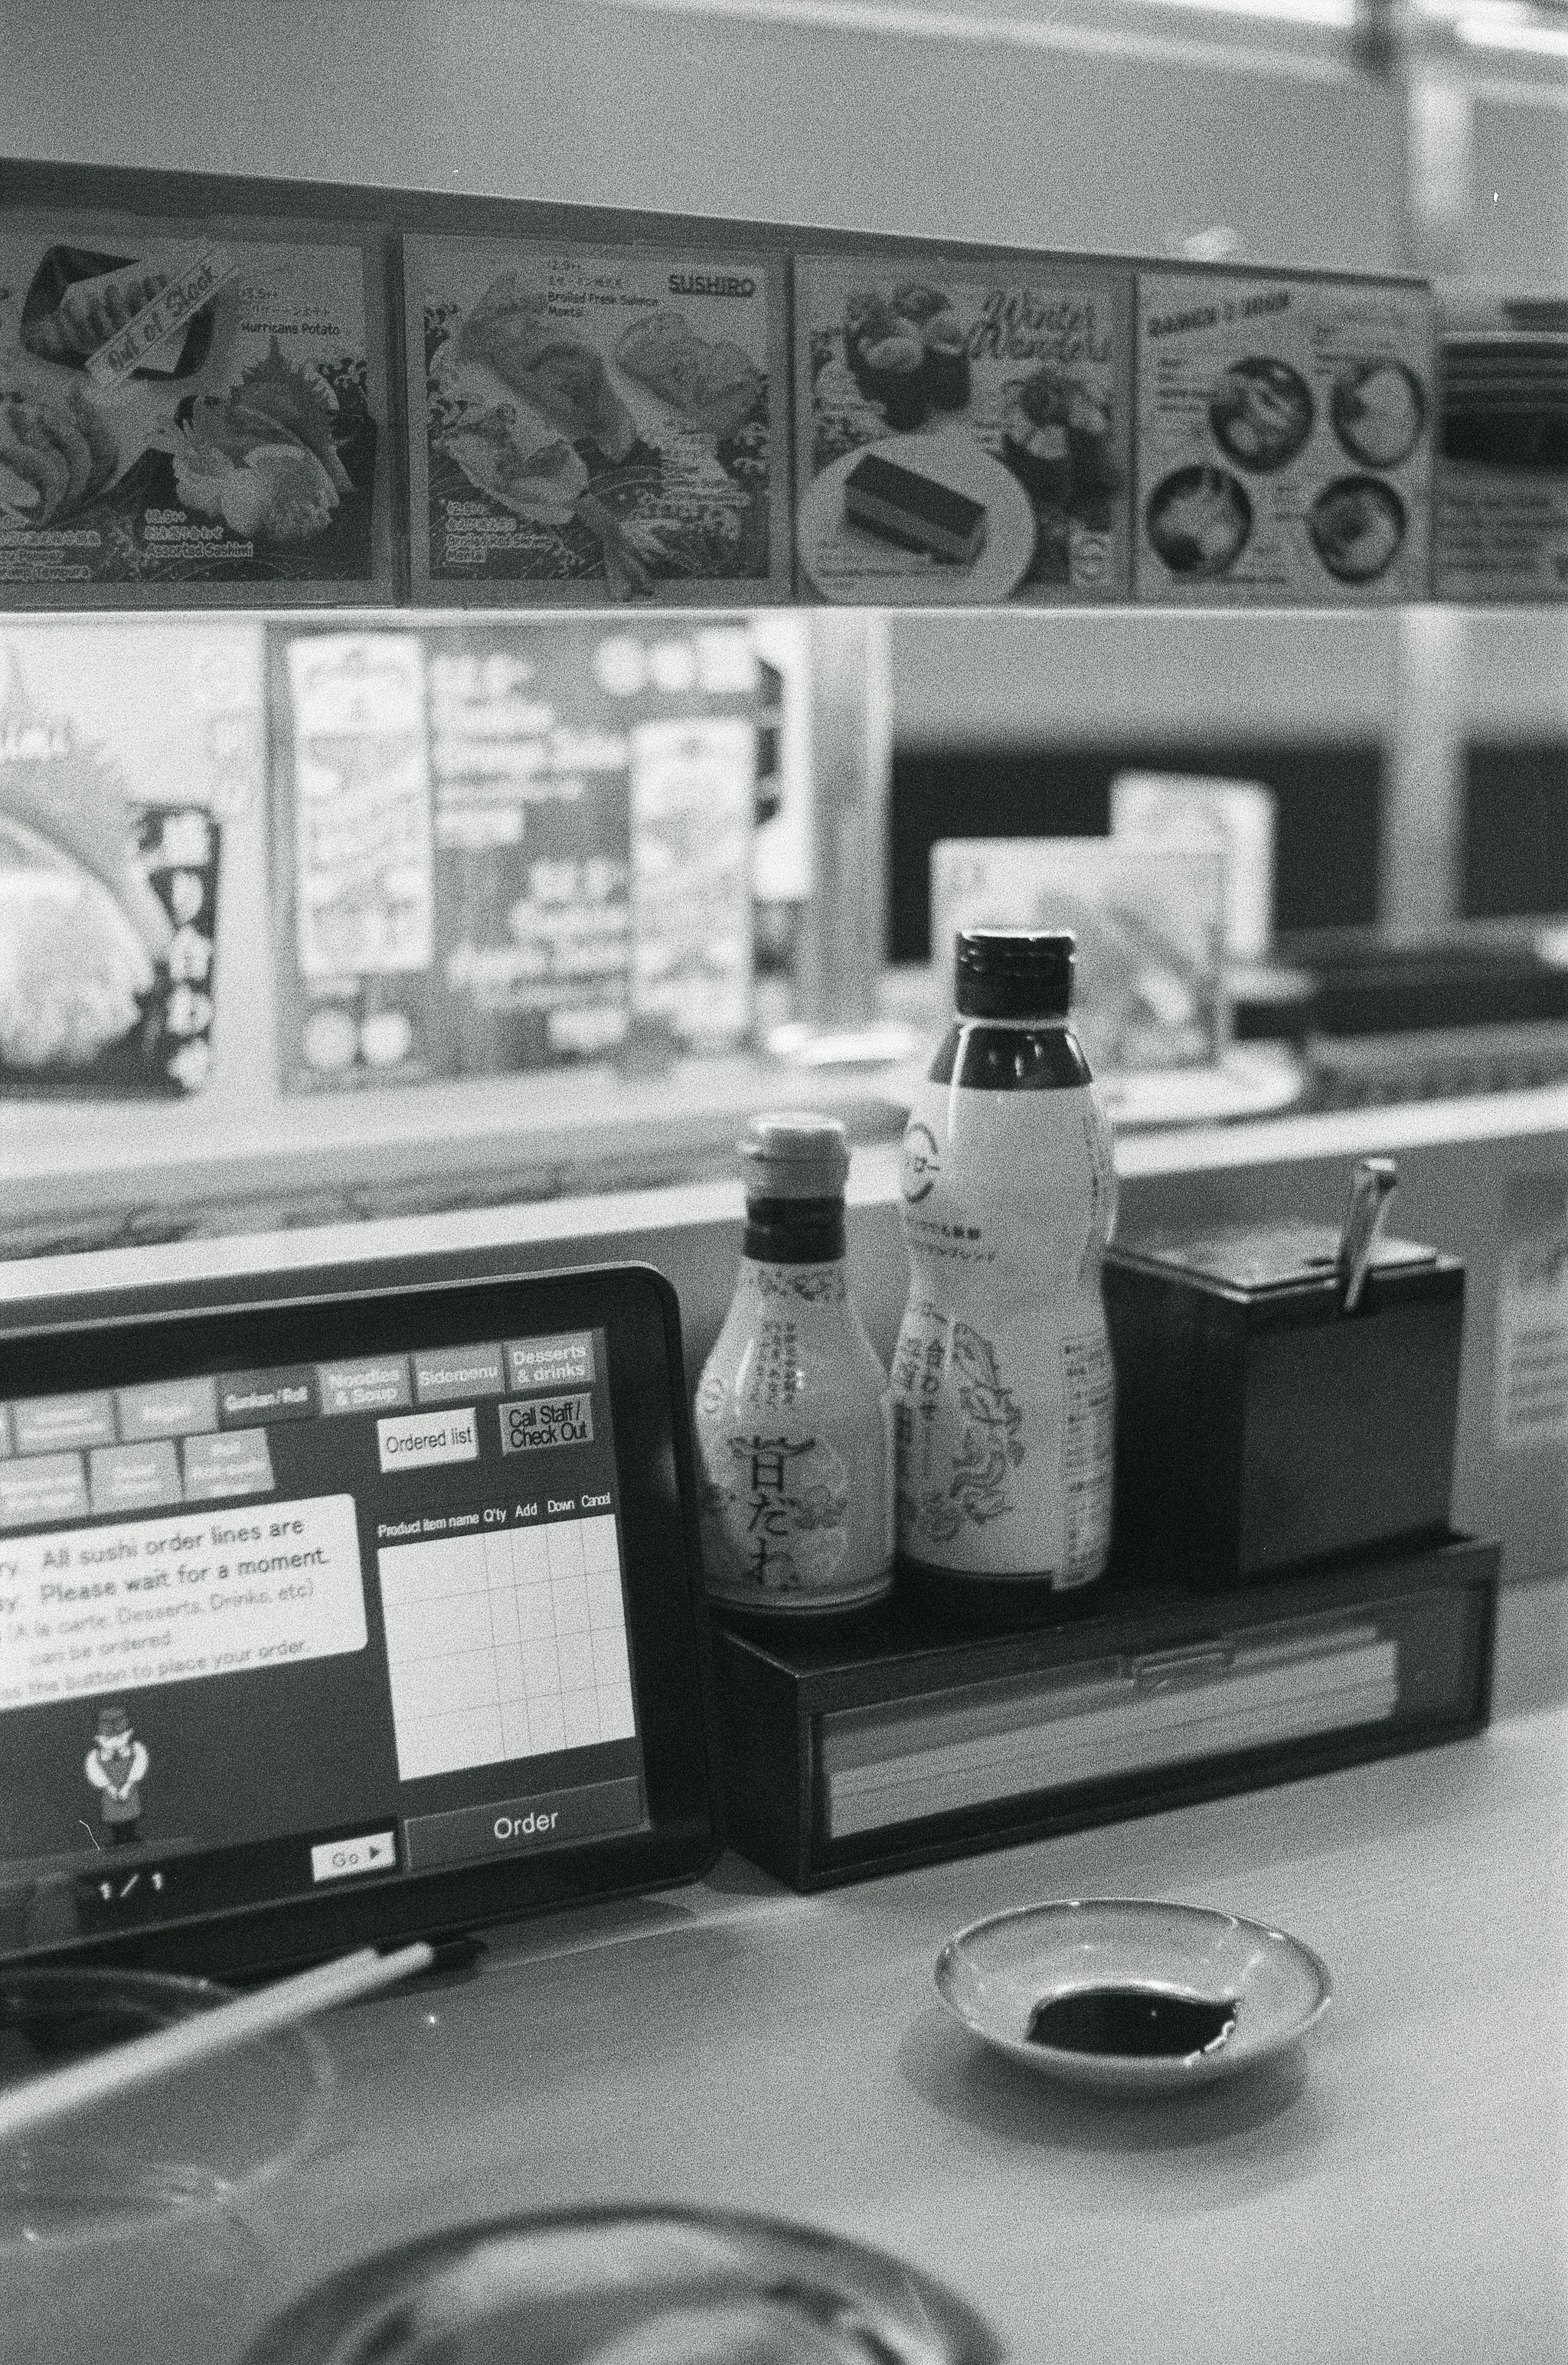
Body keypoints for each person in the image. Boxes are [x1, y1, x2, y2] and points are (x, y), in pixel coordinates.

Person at [84, 1704, 149, 1846]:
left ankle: (132, 1837)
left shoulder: (136, 1749)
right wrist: (112, 1790)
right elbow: (97, 1775)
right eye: (108, 1738)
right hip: (110, 1795)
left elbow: (138, 1769)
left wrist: (126, 1787)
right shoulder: (95, 1756)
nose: (114, 1740)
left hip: (129, 1793)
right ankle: (118, 1839)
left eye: (119, 1736)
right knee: (114, 1817)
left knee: (130, 1814)